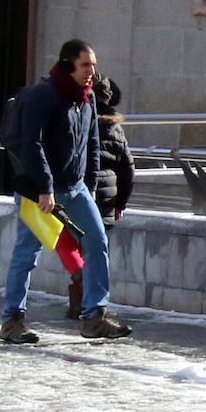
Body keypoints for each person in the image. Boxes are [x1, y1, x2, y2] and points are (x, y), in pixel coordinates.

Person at [0, 39, 132, 343]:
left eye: (94, 65)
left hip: (75, 188)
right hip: (38, 190)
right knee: (27, 252)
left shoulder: (87, 99)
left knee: (97, 241)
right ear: (67, 63)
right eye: (86, 65)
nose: (92, 72)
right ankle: (12, 320)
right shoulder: (42, 97)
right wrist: (45, 188)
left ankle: (94, 315)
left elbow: (92, 144)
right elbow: (33, 144)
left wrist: (92, 185)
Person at [58, 74, 135, 319]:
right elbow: (128, 169)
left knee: (65, 241)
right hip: (108, 200)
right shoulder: (116, 130)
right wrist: (121, 202)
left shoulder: (80, 120)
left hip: (81, 191)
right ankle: (86, 301)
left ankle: (80, 286)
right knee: (95, 248)